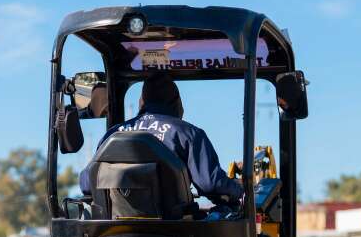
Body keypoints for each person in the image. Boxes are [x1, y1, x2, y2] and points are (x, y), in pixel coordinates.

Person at [78, 74, 244, 205]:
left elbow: (86, 183)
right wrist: (239, 188)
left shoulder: (113, 134)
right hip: (176, 229)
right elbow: (210, 184)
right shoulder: (188, 134)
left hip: (115, 230)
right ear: (177, 103)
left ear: (141, 103)